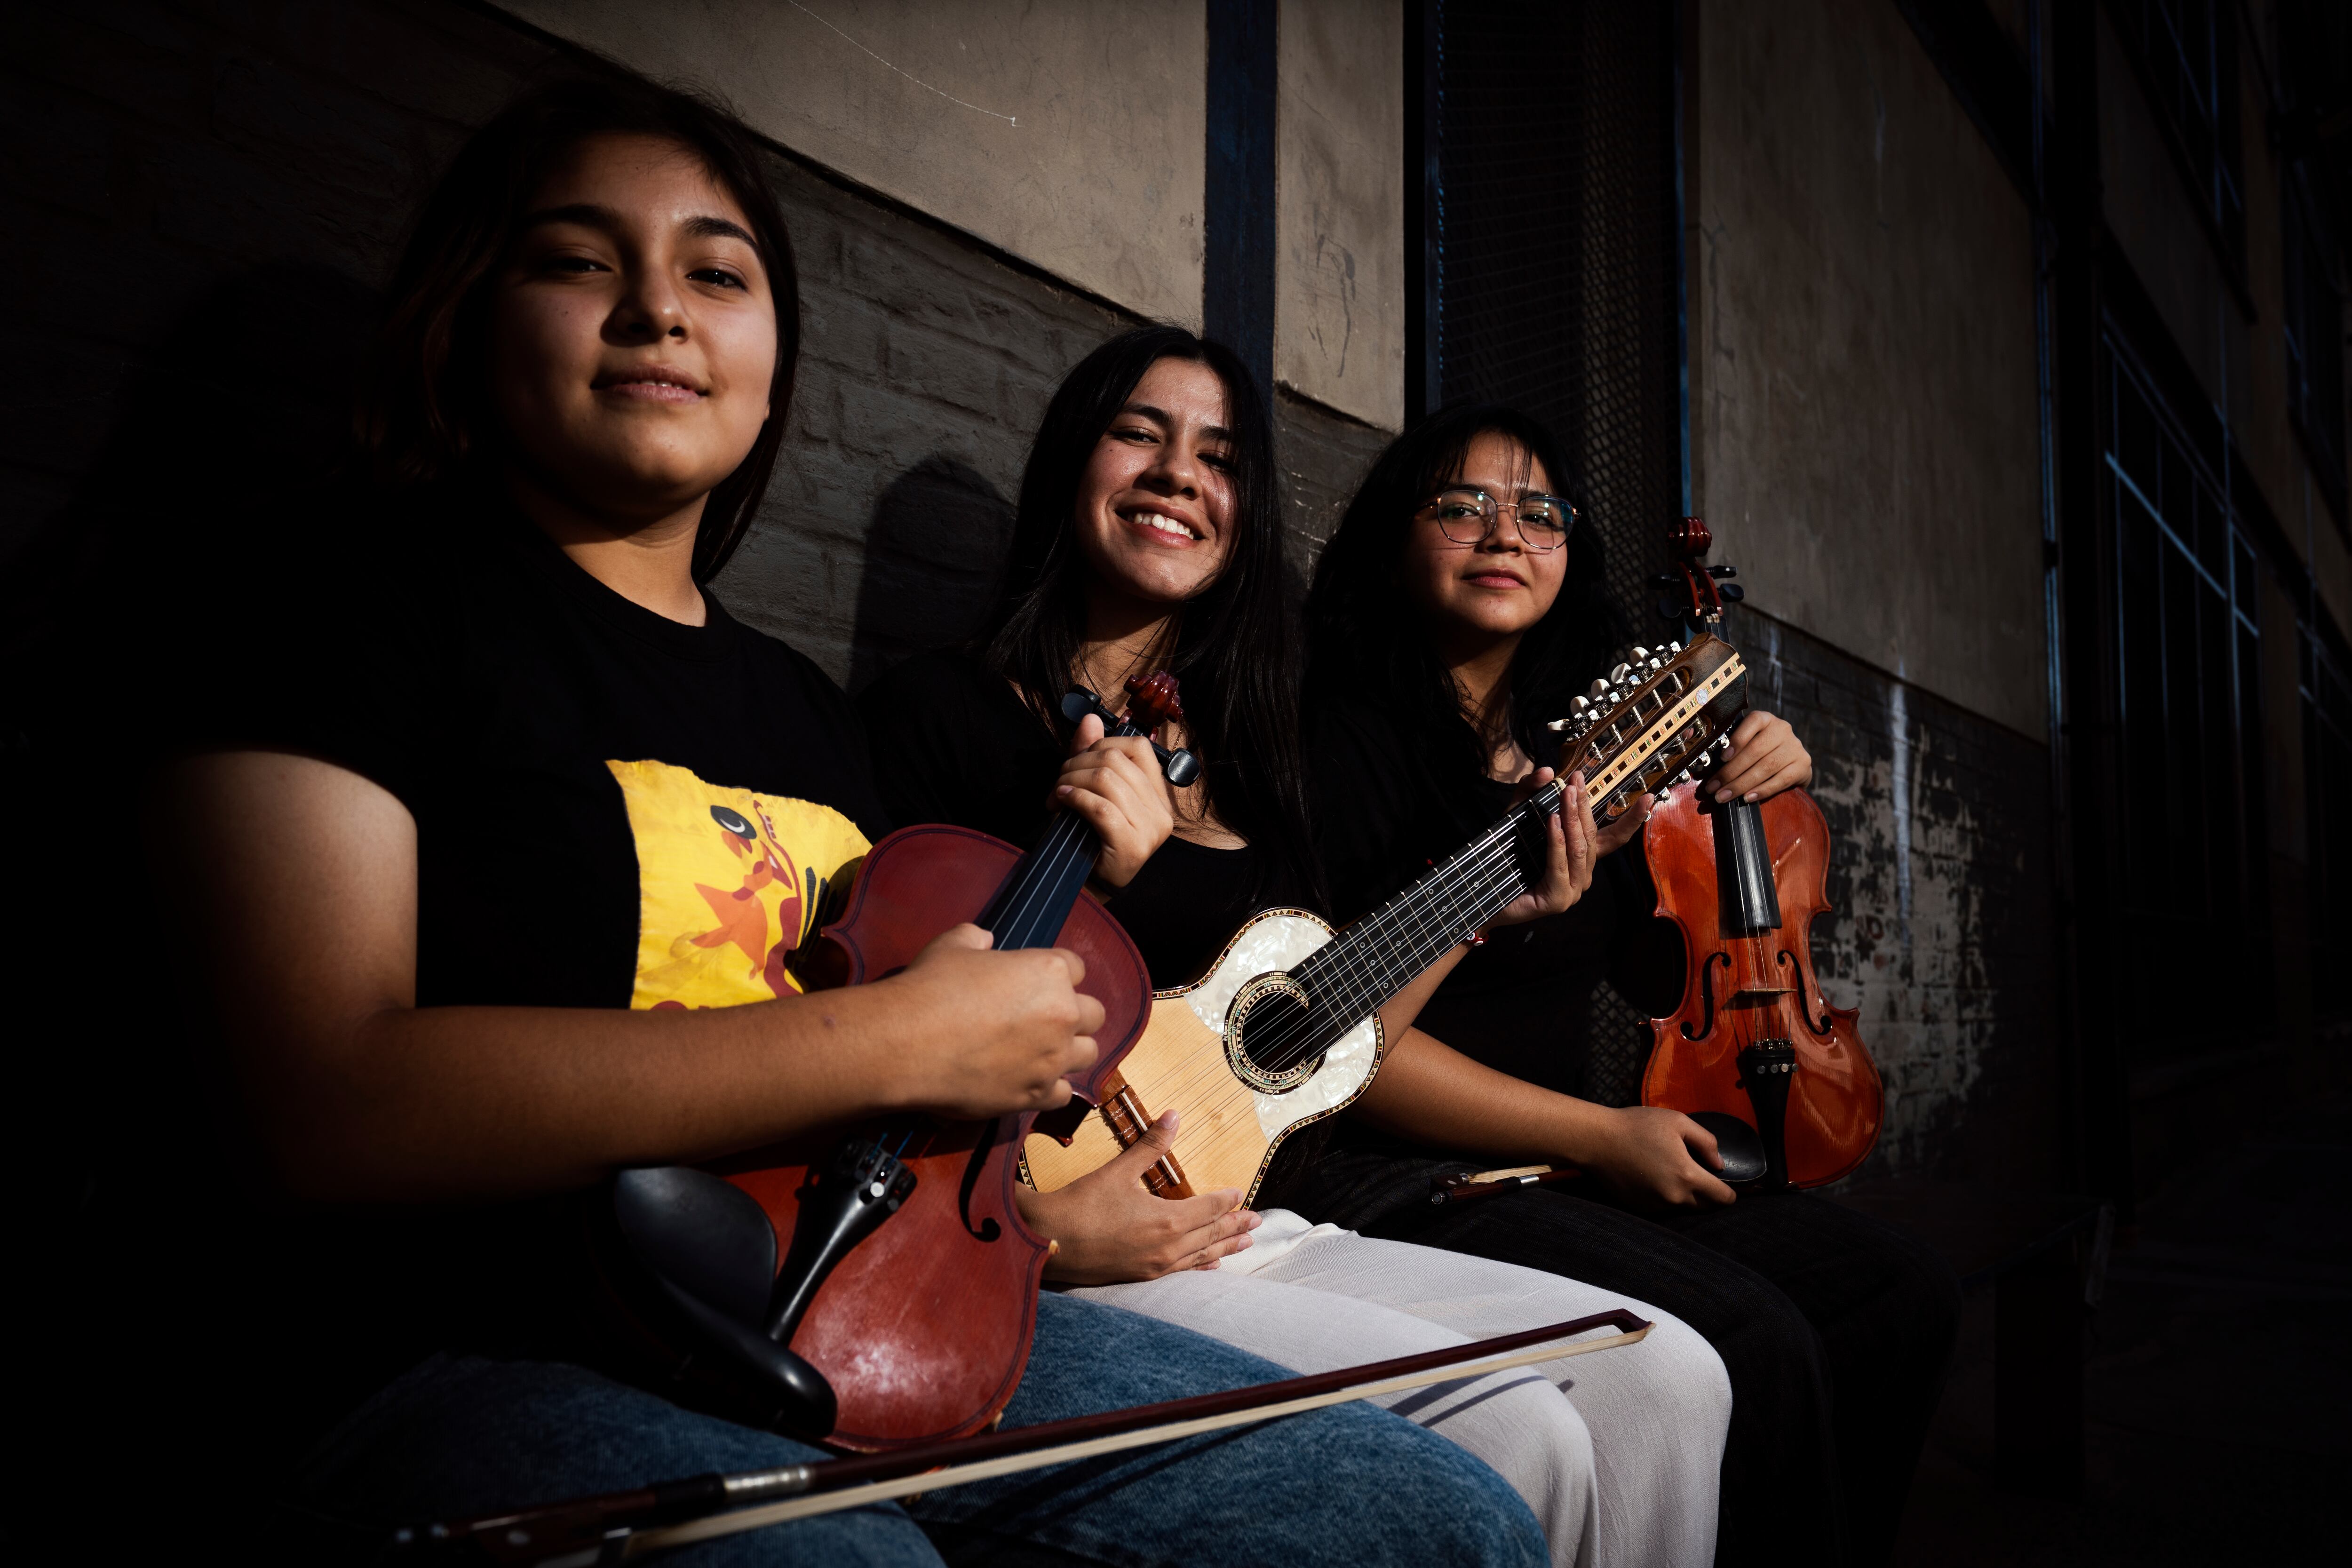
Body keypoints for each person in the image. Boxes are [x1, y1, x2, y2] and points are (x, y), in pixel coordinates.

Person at [161, 80, 1555, 1568]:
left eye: (716, 271)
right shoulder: (350, 597)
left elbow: (958, 1043)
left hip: (839, 1297)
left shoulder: (795, 711)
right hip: (474, 1332)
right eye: (577, 260)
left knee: (1433, 1508)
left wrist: (1052, 951)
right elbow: (312, 1102)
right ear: (468, 313)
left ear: (773, 356)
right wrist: (897, 1046)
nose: (657, 311)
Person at [864, 326, 1733, 1568]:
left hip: (1236, 1202)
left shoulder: (1261, 753)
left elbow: (1327, 1033)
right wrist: (1042, 1225)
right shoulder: (938, 713)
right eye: (1138, 434)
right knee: (1525, 1433)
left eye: (1218, 455)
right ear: (1071, 460)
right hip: (1044, 1228)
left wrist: (1493, 904)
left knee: (1670, 1375)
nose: (1177, 473)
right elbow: (880, 1015)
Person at [1289, 402, 1963, 1568]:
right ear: (1396, 538)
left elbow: (1656, 973)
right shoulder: (1331, 739)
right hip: (1406, 1171)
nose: (1505, 530)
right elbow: (1333, 1048)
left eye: (1540, 511)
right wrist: (1605, 1133)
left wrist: (1746, 805)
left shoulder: (1573, 755)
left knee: (1896, 1290)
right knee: (1752, 1336)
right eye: (1462, 504)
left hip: (1562, 1163)